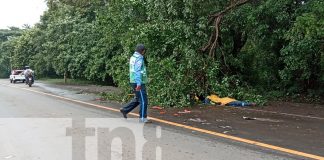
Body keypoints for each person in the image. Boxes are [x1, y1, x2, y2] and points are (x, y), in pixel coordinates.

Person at [120, 44, 151, 123]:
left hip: (133, 81)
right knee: (144, 100)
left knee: (138, 99)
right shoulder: (139, 58)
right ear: (142, 51)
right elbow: (137, 71)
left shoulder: (133, 57)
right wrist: (139, 84)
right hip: (138, 82)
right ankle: (142, 118)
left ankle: (125, 110)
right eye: (144, 51)